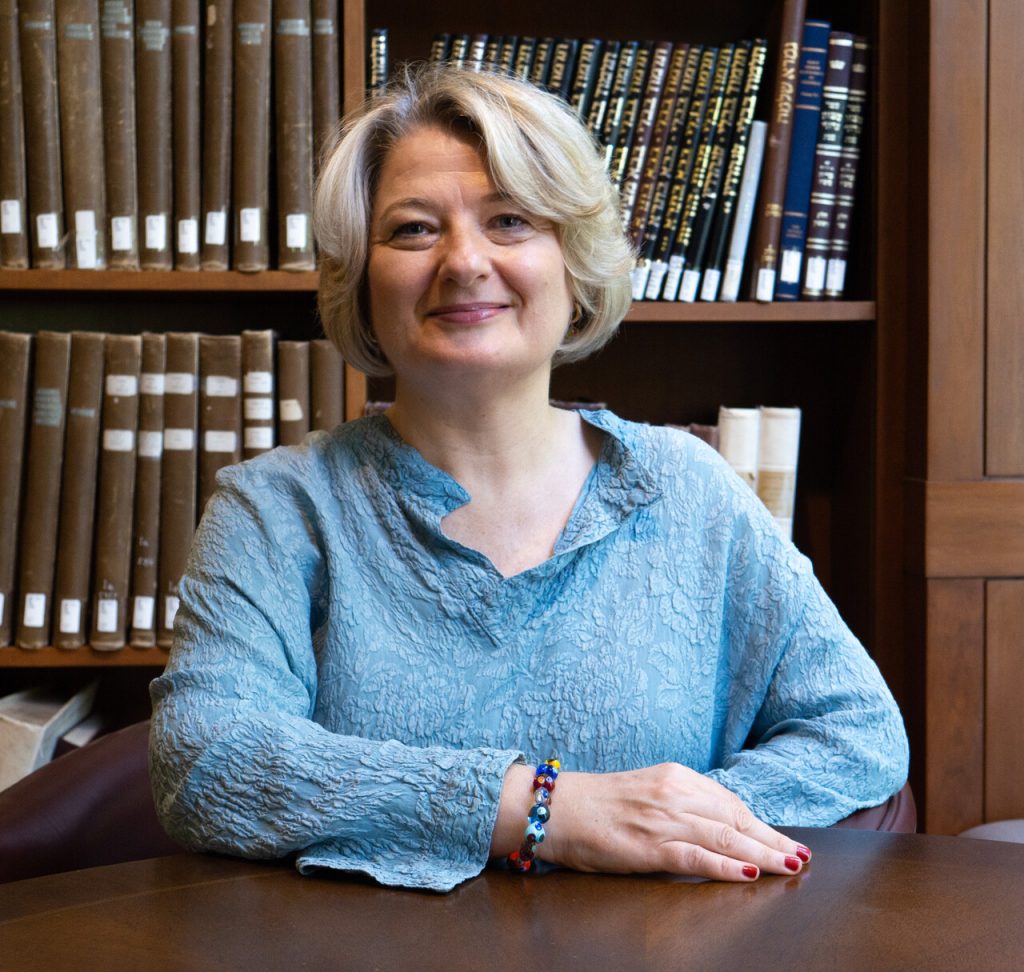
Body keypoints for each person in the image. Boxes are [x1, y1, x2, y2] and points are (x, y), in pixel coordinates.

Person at [149, 65, 909, 893]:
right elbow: (205, 761)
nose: (464, 261)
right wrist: (552, 812)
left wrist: (672, 822)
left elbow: (860, 732)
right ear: (361, 286)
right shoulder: (276, 507)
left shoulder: (689, 487)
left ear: (574, 264)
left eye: (509, 220)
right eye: (411, 230)